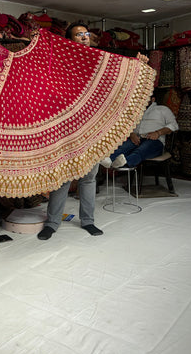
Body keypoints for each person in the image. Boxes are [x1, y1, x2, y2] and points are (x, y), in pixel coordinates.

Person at [37, 22, 149, 241]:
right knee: (64, 179)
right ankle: (52, 223)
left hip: (92, 129)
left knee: (89, 178)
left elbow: (117, 75)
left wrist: (137, 64)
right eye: (79, 34)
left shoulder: (99, 59)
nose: (84, 37)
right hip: (68, 129)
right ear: (70, 40)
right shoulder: (63, 62)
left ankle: (88, 221)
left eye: (86, 34)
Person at [100, 95, 178, 169]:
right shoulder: (135, 111)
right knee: (121, 148)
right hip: (136, 139)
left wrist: (158, 133)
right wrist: (131, 134)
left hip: (155, 141)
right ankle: (109, 161)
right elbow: (127, 126)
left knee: (141, 150)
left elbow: (174, 125)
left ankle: (125, 163)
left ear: (152, 99)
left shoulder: (162, 109)